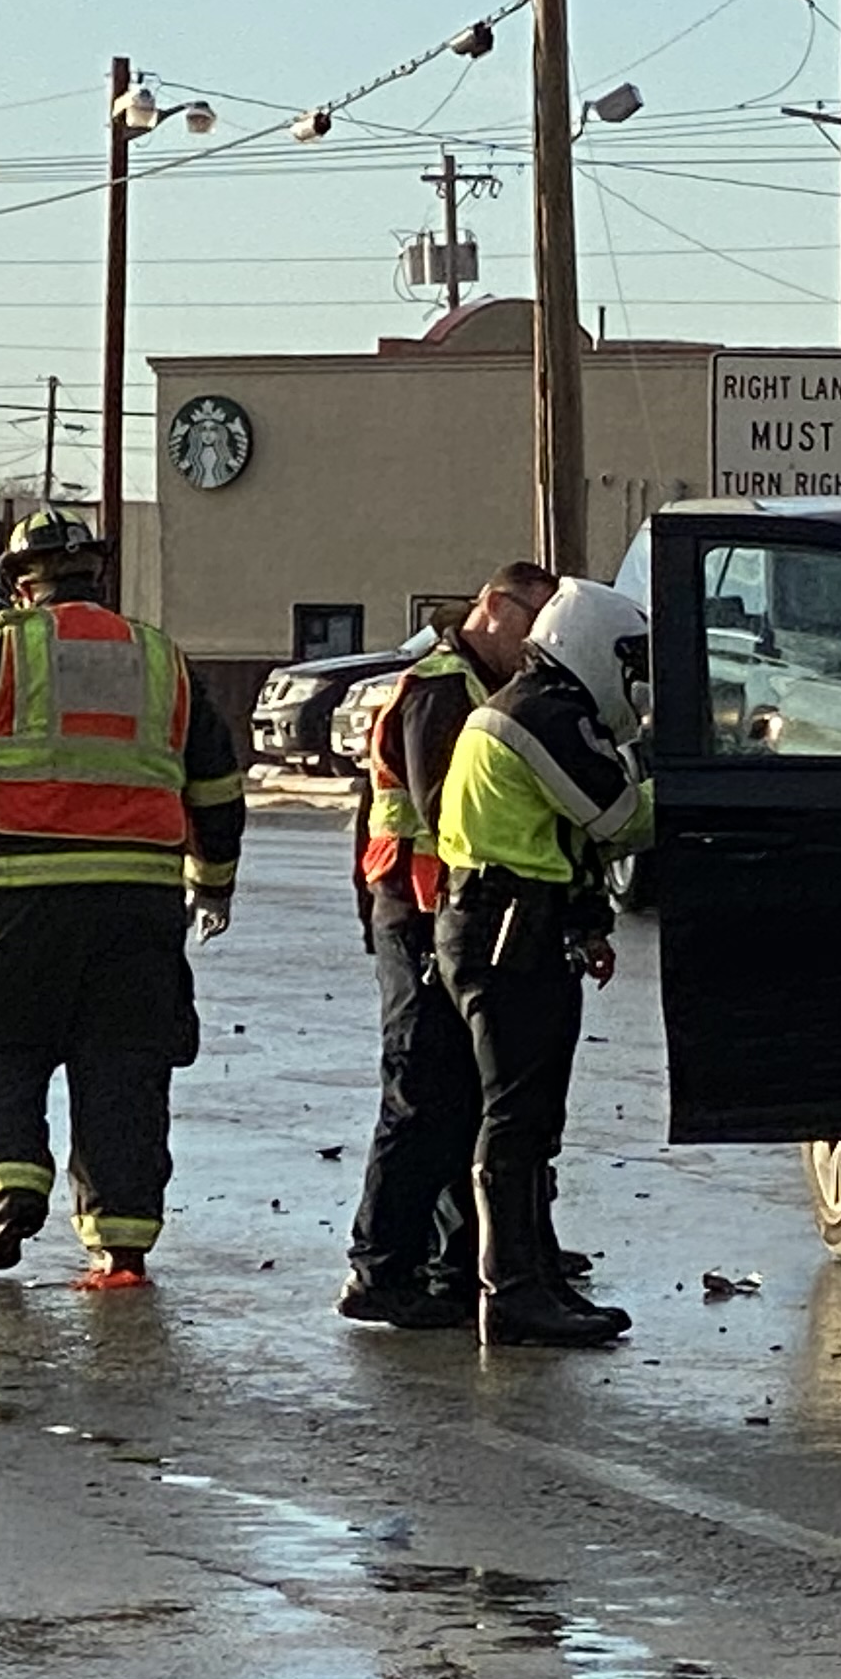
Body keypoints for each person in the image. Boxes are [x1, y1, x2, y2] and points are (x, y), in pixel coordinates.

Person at [0, 508, 243, 1287]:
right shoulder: (161, 659)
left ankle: (8, 1188)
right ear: (94, 576)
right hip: (140, 907)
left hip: (19, 898)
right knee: (124, 1068)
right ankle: (121, 1244)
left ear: (19, 583)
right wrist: (212, 883)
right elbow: (216, 782)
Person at [432, 579, 653, 1348]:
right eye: (630, 658)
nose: (638, 676)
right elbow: (618, 818)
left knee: (528, 1117)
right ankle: (514, 1292)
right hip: (506, 932)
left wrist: (588, 919)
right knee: (517, 1119)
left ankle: (533, 1279)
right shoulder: (545, 715)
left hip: (508, 925)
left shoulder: (533, 705)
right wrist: (689, 786)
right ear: (590, 643)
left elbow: (563, 841)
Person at [340, 561, 555, 1329]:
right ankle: (380, 1269)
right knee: (420, 1098)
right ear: (493, 607)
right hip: (422, 910)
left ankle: (450, 1266)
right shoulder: (442, 690)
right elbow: (439, 814)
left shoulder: (471, 687)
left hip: (435, 912)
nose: (538, 642)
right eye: (532, 620)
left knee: (459, 1098)